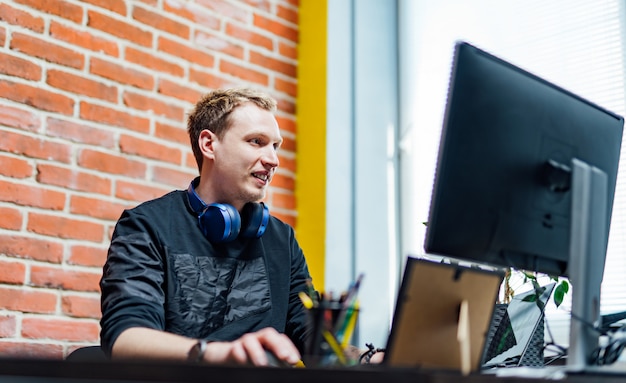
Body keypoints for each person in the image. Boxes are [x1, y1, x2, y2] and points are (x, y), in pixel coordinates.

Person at [99, 88, 310, 367]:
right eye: (256, 141)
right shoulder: (146, 226)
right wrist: (217, 354)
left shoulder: (282, 238)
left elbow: (314, 337)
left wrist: (369, 358)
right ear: (209, 144)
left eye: (275, 146)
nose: (273, 160)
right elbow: (126, 339)